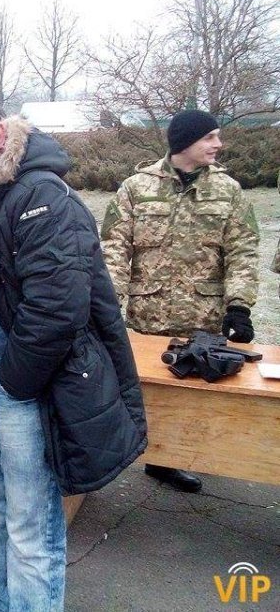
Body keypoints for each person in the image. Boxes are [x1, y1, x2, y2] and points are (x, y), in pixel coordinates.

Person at [0, 98, 147, 612]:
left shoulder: (39, 196)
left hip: (17, 388)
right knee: (1, 513)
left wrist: (14, 382)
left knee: (32, 526)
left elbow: (57, 307)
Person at [101, 108, 259, 494]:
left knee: (197, 391)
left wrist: (239, 305)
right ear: (185, 142)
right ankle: (143, 452)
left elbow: (243, 250)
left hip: (204, 316)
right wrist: (107, 307)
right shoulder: (136, 188)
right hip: (149, 316)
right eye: (210, 137)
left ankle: (178, 458)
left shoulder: (228, 190)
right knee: (145, 391)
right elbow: (114, 251)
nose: (218, 144)